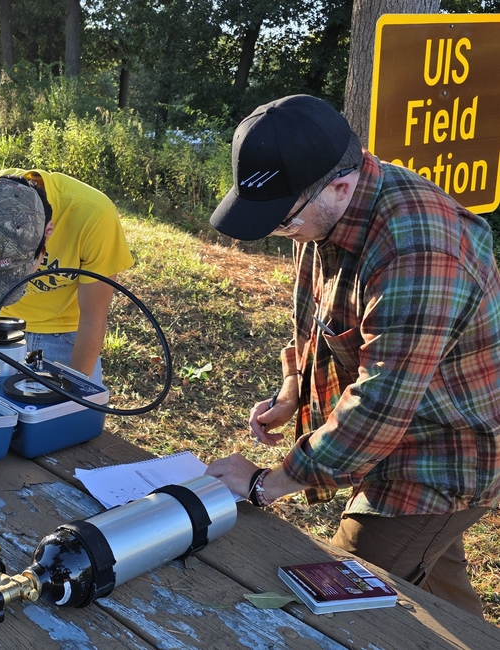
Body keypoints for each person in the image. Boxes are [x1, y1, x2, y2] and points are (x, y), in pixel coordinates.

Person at [205, 94, 500, 618]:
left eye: (283, 223)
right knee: (436, 585)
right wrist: (292, 387)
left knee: (344, 592)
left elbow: (380, 405)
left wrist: (264, 483)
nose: (281, 233)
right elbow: (312, 315)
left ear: (340, 186)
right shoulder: (319, 208)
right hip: (399, 430)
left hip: (445, 452)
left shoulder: (420, 251)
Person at [0, 169, 134, 384]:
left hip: (67, 337)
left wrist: (75, 389)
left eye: (16, 269)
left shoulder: (93, 215)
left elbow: (94, 315)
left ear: (48, 232)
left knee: (75, 415)